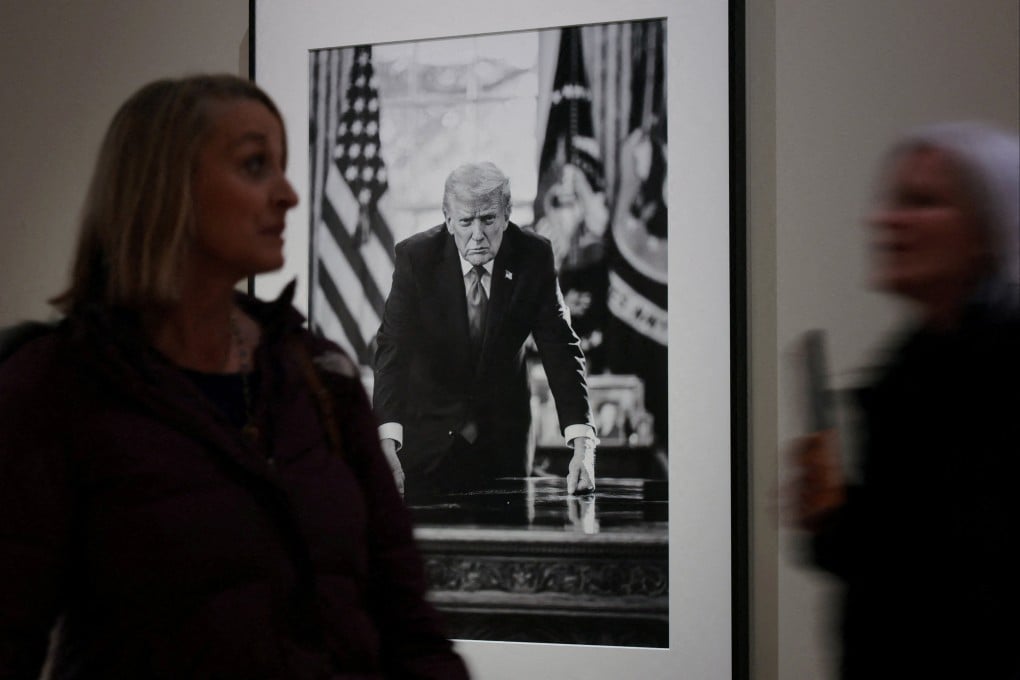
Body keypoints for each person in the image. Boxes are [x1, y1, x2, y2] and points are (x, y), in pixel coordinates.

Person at [0, 74, 469, 679]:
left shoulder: (318, 373)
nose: (289, 195)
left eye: (282, 165)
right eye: (255, 166)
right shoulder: (54, 385)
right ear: (165, 186)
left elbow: (407, 620)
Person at [788, 122, 1019, 679]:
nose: (885, 221)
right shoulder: (912, 361)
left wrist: (845, 524)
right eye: (891, 201)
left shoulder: (1003, 364)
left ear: (987, 230)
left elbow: (955, 566)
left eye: (922, 202)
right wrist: (828, 519)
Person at [373, 162, 596, 501]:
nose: (477, 234)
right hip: (427, 440)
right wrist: (387, 441)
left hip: (504, 441)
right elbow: (392, 350)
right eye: (465, 221)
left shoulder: (533, 257)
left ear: (507, 216)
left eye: (488, 219)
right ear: (449, 220)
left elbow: (561, 348)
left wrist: (583, 442)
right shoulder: (416, 258)